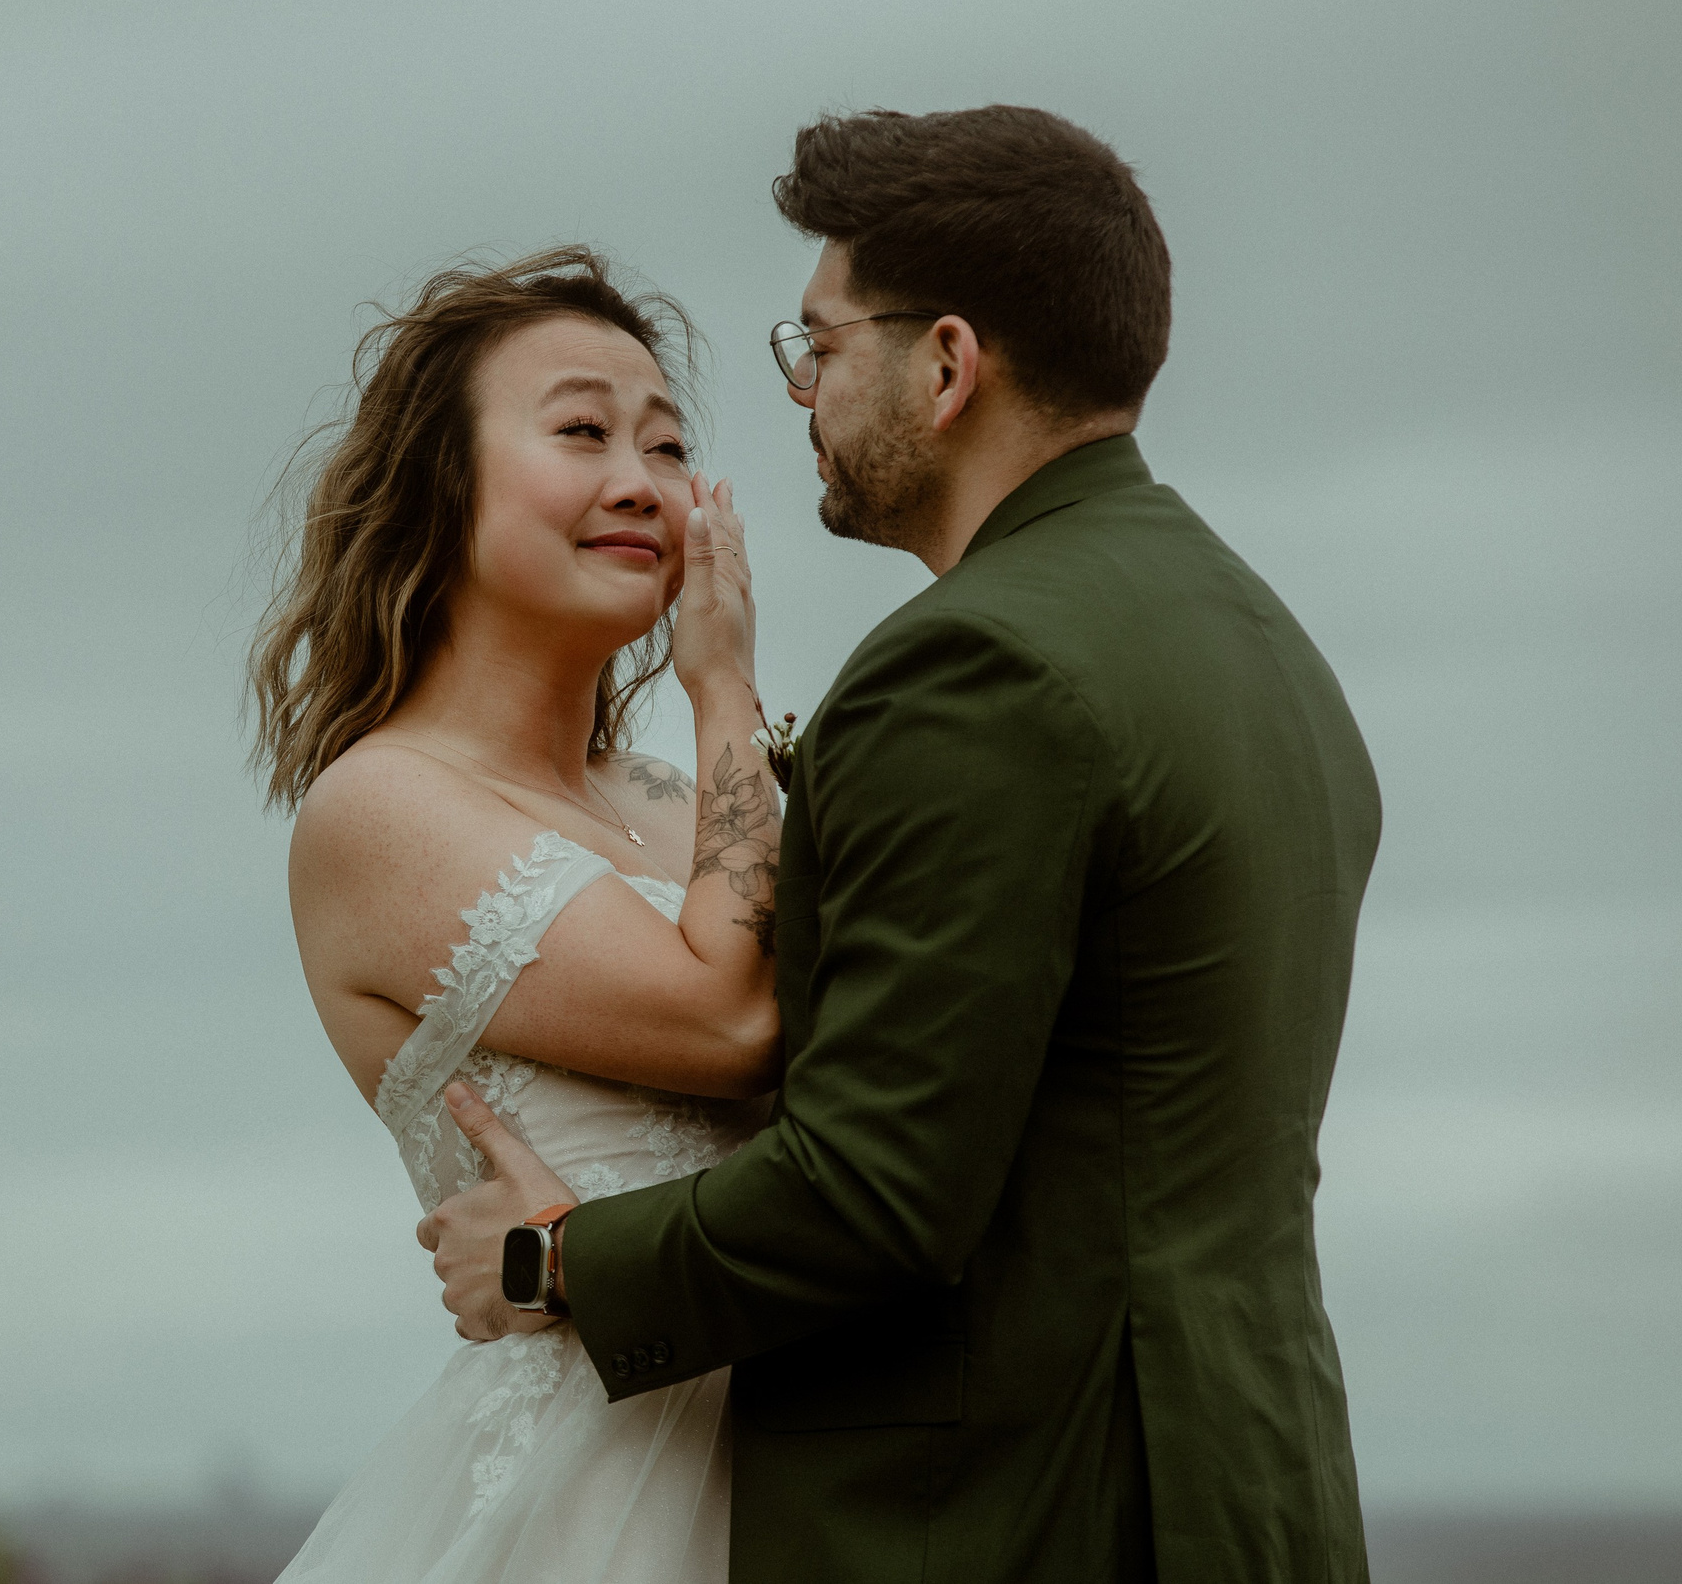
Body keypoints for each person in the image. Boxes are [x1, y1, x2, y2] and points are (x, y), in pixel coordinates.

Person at [425, 106, 1380, 1582]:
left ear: (945, 366)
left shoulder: (974, 667)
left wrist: (553, 1262)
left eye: (821, 343)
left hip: (1011, 1518)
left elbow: (878, 1192)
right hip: (1250, 1490)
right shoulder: (1267, 653)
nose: (802, 391)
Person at [248, 246, 789, 1581]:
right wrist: (727, 688)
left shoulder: (682, 799)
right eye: (583, 431)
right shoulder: (379, 811)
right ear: (447, 484)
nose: (639, 483)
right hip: (596, 1499)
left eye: (668, 447)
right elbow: (728, 1019)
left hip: (814, 1464)